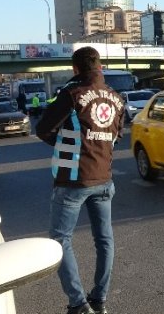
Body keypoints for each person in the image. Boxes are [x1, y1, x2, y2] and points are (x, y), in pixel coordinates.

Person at [37, 46, 124, 314]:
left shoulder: (72, 94)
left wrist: (65, 144)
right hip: (104, 179)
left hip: (73, 181)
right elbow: (117, 135)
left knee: (60, 239)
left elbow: (43, 129)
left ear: (75, 69)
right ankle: (99, 299)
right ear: (99, 67)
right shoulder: (116, 98)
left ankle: (78, 304)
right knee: (104, 240)